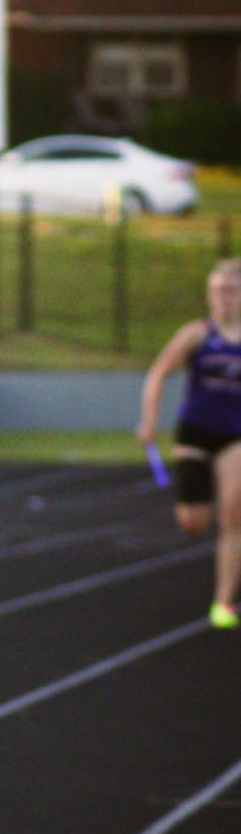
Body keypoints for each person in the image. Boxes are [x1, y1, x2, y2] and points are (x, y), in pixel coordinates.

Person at [137, 255, 241, 630]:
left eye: (230, 290)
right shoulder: (197, 334)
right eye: (217, 290)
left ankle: (224, 601)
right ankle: (205, 510)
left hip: (235, 435)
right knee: (195, 522)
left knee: (233, 513)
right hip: (196, 431)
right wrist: (149, 421)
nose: (224, 297)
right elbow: (158, 374)